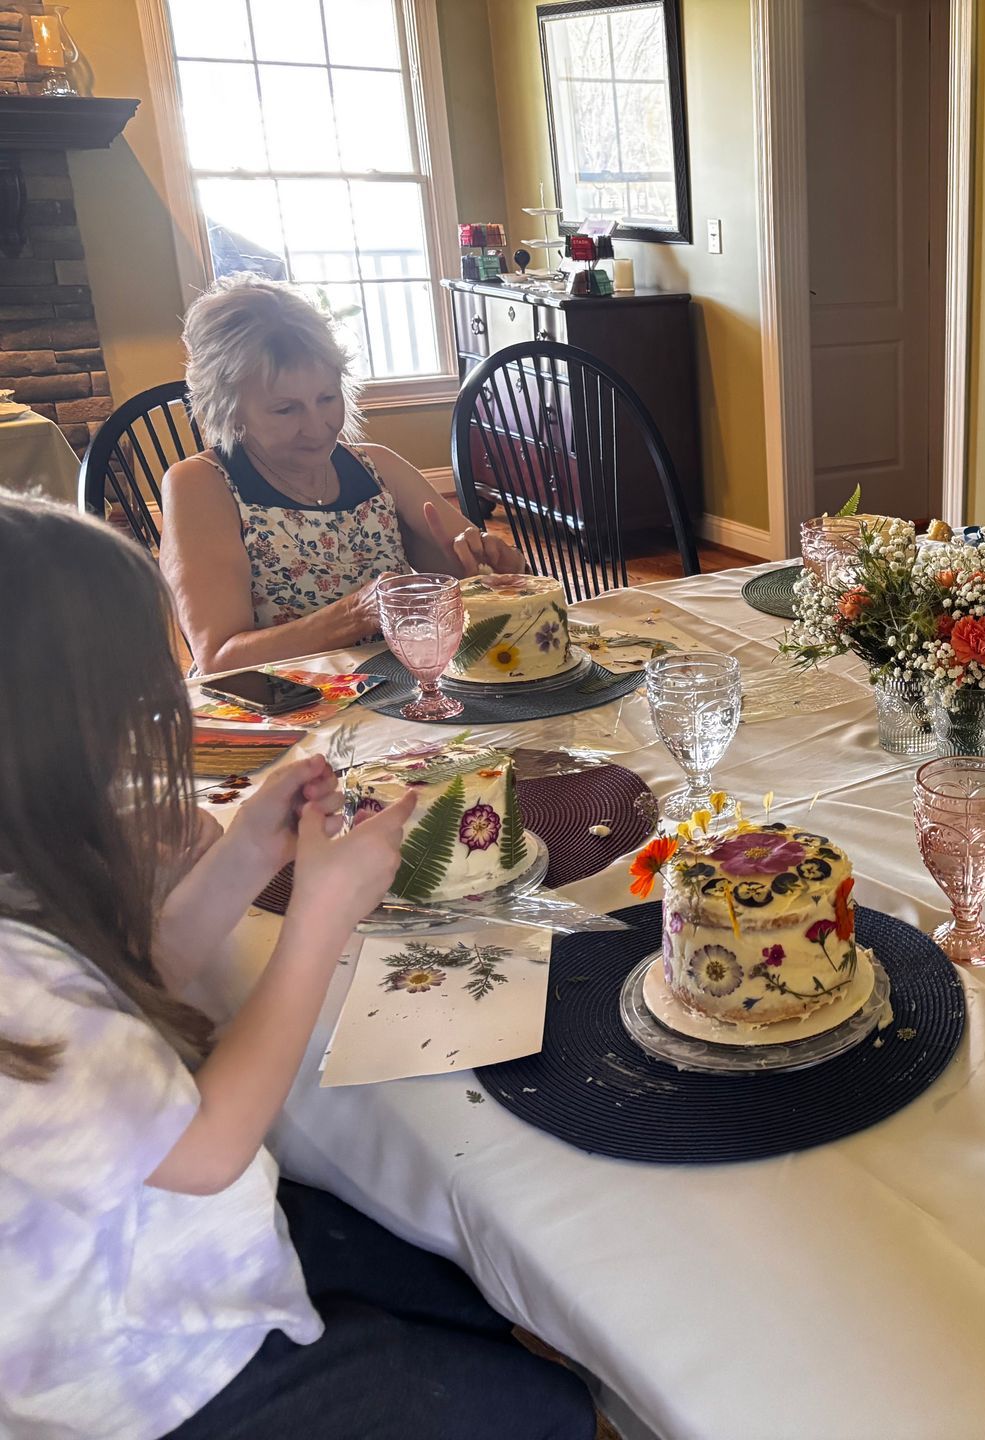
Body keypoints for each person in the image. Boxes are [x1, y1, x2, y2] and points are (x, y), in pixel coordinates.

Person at [0, 496, 596, 1440]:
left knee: (469, 1292)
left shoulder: (23, 924)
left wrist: (245, 854)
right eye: (129, 721)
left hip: (166, 1265)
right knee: (549, 1412)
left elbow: (129, 989)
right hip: (155, 1375)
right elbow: (204, 1152)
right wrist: (318, 918)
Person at [160, 273, 526, 674]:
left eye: (327, 398)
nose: (317, 427)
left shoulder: (377, 468)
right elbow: (219, 659)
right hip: (281, 711)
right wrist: (356, 613)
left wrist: (489, 568)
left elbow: (467, 577)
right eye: (286, 410)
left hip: (393, 693)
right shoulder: (201, 486)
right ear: (228, 409)